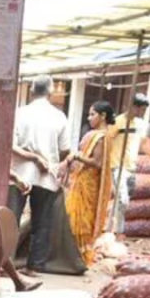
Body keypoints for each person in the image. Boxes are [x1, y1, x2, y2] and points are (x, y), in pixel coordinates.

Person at [11, 75, 71, 272]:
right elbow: (65, 150)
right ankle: (34, 267)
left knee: (11, 220)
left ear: (31, 91)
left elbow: (10, 145)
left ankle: (6, 264)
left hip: (19, 173)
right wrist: (46, 158)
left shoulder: (19, 113)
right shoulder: (59, 116)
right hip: (47, 175)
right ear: (50, 92)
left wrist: (31, 156)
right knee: (42, 223)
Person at [64, 101, 115, 265]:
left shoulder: (101, 137)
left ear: (103, 116)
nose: (89, 118)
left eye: (92, 114)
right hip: (84, 180)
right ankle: (73, 254)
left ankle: (78, 256)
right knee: (76, 216)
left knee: (80, 218)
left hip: (88, 183)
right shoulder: (97, 134)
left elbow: (97, 163)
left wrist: (77, 156)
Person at [107, 92, 150, 234]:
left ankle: (111, 230)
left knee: (122, 202)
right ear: (133, 107)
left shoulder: (141, 125)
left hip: (131, 168)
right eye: (141, 109)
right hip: (117, 166)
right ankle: (118, 232)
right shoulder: (117, 122)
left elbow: (144, 145)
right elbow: (107, 142)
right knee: (122, 200)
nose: (143, 113)